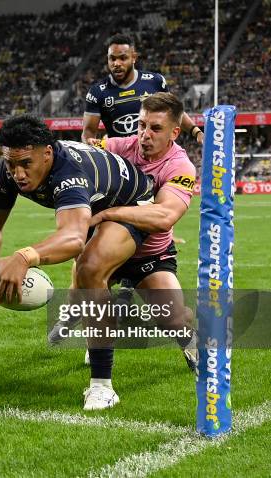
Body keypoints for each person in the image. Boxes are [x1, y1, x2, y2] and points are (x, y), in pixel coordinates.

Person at [0, 114, 157, 410]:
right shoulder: (9, 169)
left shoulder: (68, 171)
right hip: (91, 204)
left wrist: (24, 256)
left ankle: (103, 386)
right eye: (11, 164)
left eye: (26, 164)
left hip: (130, 203)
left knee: (90, 268)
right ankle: (90, 323)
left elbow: (73, 238)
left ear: (47, 154)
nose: (18, 174)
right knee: (86, 282)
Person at [79, 92, 198, 408]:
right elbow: (88, 154)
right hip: (110, 251)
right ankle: (102, 384)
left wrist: (108, 213)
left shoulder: (180, 166)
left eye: (156, 128)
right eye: (142, 125)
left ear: (174, 132)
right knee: (86, 291)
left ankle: (192, 339)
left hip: (150, 256)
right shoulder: (119, 146)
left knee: (172, 320)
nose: (145, 135)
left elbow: (165, 216)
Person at [81, 33, 204, 145]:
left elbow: (174, 112)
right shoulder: (97, 92)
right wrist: (89, 142)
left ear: (134, 58)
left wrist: (196, 132)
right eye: (112, 58)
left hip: (154, 157)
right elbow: (88, 132)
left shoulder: (154, 81)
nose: (116, 63)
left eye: (123, 58)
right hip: (121, 161)